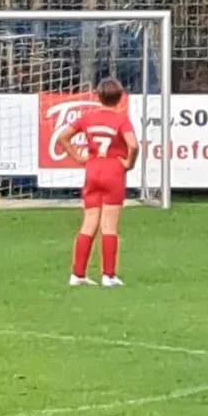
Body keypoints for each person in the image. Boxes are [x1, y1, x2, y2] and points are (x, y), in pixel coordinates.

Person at [60, 77, 139, 287]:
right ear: (120, 97)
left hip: (93, 169)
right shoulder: (121, 120)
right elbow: (133, 144)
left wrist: (78, 157)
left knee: (89, 222)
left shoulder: (88, 117)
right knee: (109, 225)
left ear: (98, 96)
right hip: (113, 170)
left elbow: (63, 137)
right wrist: (129, 163)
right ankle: (108, 275)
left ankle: (77, 274)